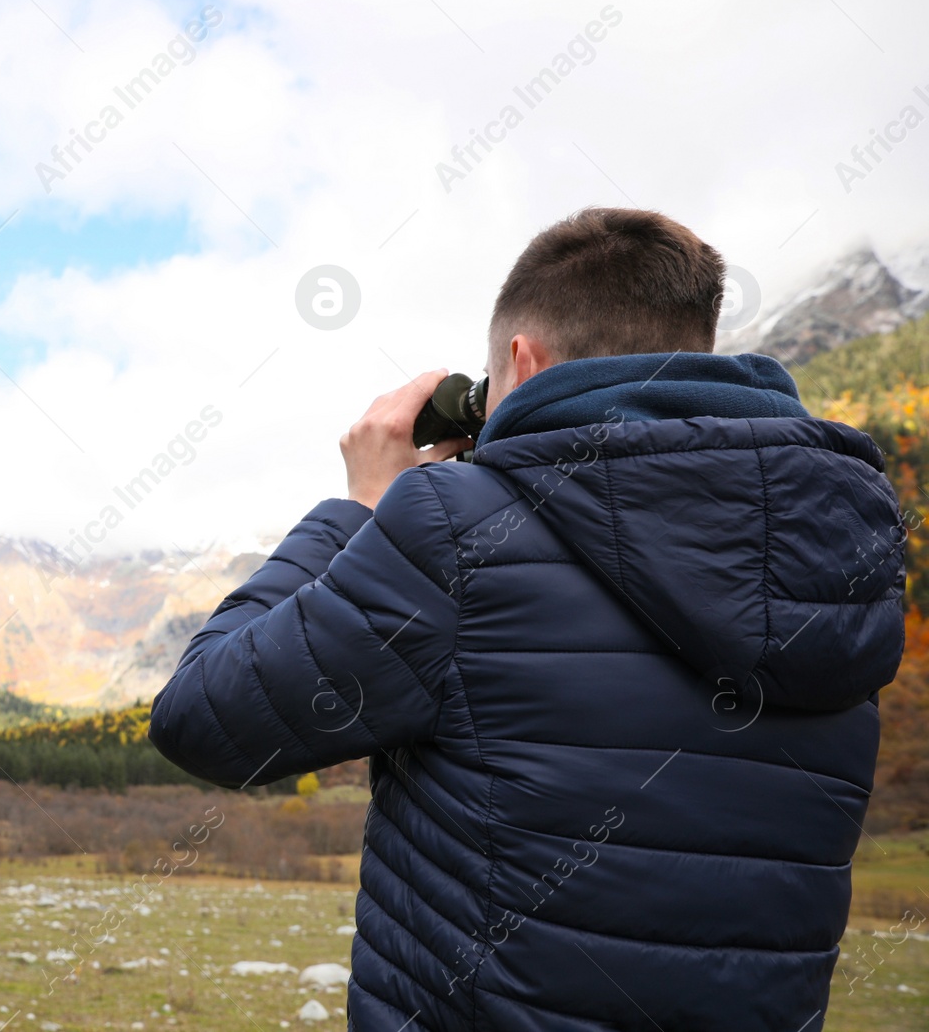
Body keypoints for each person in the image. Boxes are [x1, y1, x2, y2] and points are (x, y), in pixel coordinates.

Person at [149, 208, 906, 1031]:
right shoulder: (836, 543)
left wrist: (361, 506)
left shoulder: (455, 529)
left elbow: (204, 716)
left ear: (522, 361)